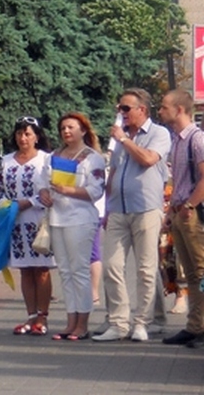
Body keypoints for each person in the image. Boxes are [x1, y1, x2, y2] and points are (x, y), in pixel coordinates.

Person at [94, 88, 171, 342]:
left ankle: (143, 322)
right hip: (118, 209)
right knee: (112, 266)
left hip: (146, 208)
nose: (121, 113)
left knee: (146, 269)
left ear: (142, 110)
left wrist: (125, 141)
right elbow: (114, 171)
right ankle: (118, 322)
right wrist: (106, 207)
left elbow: (148, 159)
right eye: (119, 108)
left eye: (126, 108)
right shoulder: (121, 137)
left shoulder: (159, 133)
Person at [38, 112, 105, 340]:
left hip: (81, 219)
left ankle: (82, 323)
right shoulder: (54, 156)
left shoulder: (91, 158)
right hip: (57, 219)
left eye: (71, 127)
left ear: (83, 130)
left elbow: (96, 190)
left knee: (79, 271)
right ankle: (70, 321)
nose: (66, 131)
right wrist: (44, 193)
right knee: (65, 272)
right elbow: (41, 181)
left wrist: (70, 191)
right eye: (63, 128)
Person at [0, 115, 53, 336]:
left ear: (37, 137)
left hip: (38, 220)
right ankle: (30, 316)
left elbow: (50, 189)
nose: (23, 138)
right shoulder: (6, 161)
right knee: (26, 270)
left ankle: (43, 316)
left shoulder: (46, 159)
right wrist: (7, 205)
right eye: (19, 133)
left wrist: (30, 202)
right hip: (15, 222)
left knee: (42, 269)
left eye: (27, 133)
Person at [158, 89, 204, 347]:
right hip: (179, 212)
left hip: (193, 214)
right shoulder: (176, 140)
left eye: (164, 107)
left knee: (201, 271)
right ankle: (195, 325)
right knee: (191, 275)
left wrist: (189, 206)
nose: (161, 111)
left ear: (179, 110)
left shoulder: (196, 139)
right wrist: (171, 211)